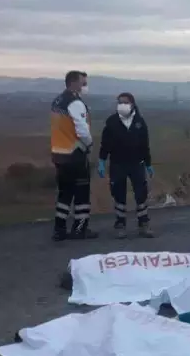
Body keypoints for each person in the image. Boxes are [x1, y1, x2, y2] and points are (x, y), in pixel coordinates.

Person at [98, 93, 154, 238]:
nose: (122, 105)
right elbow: (105, 144)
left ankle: (143, 225)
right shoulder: (112, 122)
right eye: (120, 102)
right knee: (118, 194)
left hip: (136, 164)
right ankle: (120, 225)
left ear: (132, 104)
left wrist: (148, 164)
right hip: (118, 164)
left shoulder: (140, 122)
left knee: (141, 194)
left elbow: (144, 145)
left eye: (125, 102)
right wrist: (102, 161)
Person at [50, 70, 97, 242]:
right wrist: (90, 143)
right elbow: (82, 129)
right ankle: (80, 229)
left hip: (58, 154)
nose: (85, 86)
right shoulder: (75, 103)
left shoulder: (57, 101)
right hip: (74, 154)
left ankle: (59, 230)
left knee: (64, 194)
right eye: (83, 83)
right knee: (82, 194)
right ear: (73, 83)